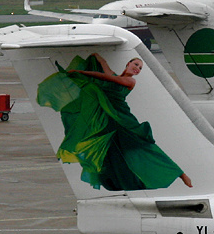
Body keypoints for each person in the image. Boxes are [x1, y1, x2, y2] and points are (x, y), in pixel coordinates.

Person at [36, 52, 192, 191]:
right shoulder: (119, 76)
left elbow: (107, 77)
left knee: (145, 147)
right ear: (128, 64)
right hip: (108, 119)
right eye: (136, 64)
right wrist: (97, 56)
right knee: (110, 152)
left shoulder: (130, 81)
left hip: (122, 120)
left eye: (140, 68)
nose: (137, 68)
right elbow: (106, 69)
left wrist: (82, 72)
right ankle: (117, 182)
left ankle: (180, 173)